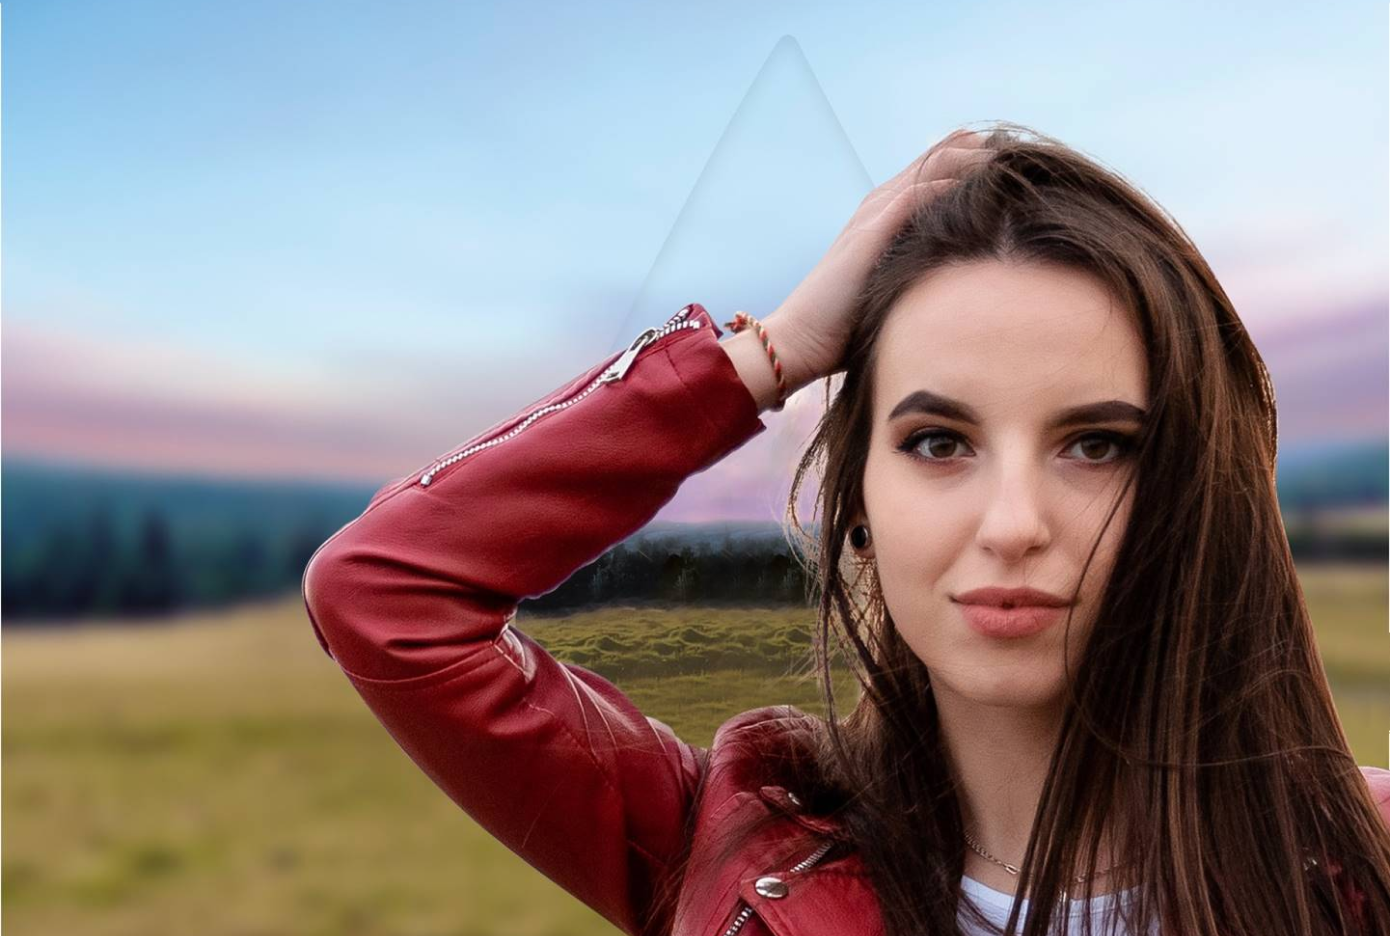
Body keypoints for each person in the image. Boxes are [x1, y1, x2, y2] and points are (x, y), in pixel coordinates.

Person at [301, 122, 1390, 936]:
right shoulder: (721, 850)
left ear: (1195, 492)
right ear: (856, 509)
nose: (1012, 525)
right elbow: (388, 594)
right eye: (936, 442)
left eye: (1096, 445)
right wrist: (766, 356)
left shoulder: (1363, 866)